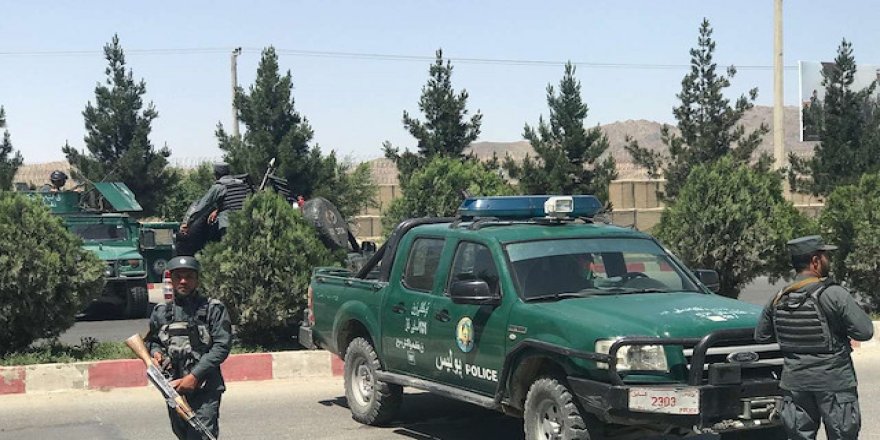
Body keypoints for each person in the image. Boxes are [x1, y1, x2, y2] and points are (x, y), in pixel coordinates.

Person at [755, 235, 874, 440]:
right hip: (834, 384)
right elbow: (865, 331)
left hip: (795, 384)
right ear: (816, 261)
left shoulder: (779, 297)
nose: (829, 260)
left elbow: (762, 336)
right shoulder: (833, 294)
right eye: (826, 256)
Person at [146, 256, 232, 440]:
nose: (183, 281)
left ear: (197, 279)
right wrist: (156, 353)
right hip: (174, 388)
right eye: (178, 277)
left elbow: (222, 346)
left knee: (200, 436)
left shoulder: (213, 309)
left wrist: (194, 376)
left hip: (205, 386)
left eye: (189, 276)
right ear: (171, 280)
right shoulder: (161, 311)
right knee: (183, 435)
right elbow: (152, 341)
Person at [176, 163, 252, 255]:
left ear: (216, 174)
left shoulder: (219, 187)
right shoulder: (243, 184)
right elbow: (239, 203)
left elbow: (202, 207)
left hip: (228, 225)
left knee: (229, 252)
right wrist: (217, 210)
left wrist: (187, 224)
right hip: (246, 223)